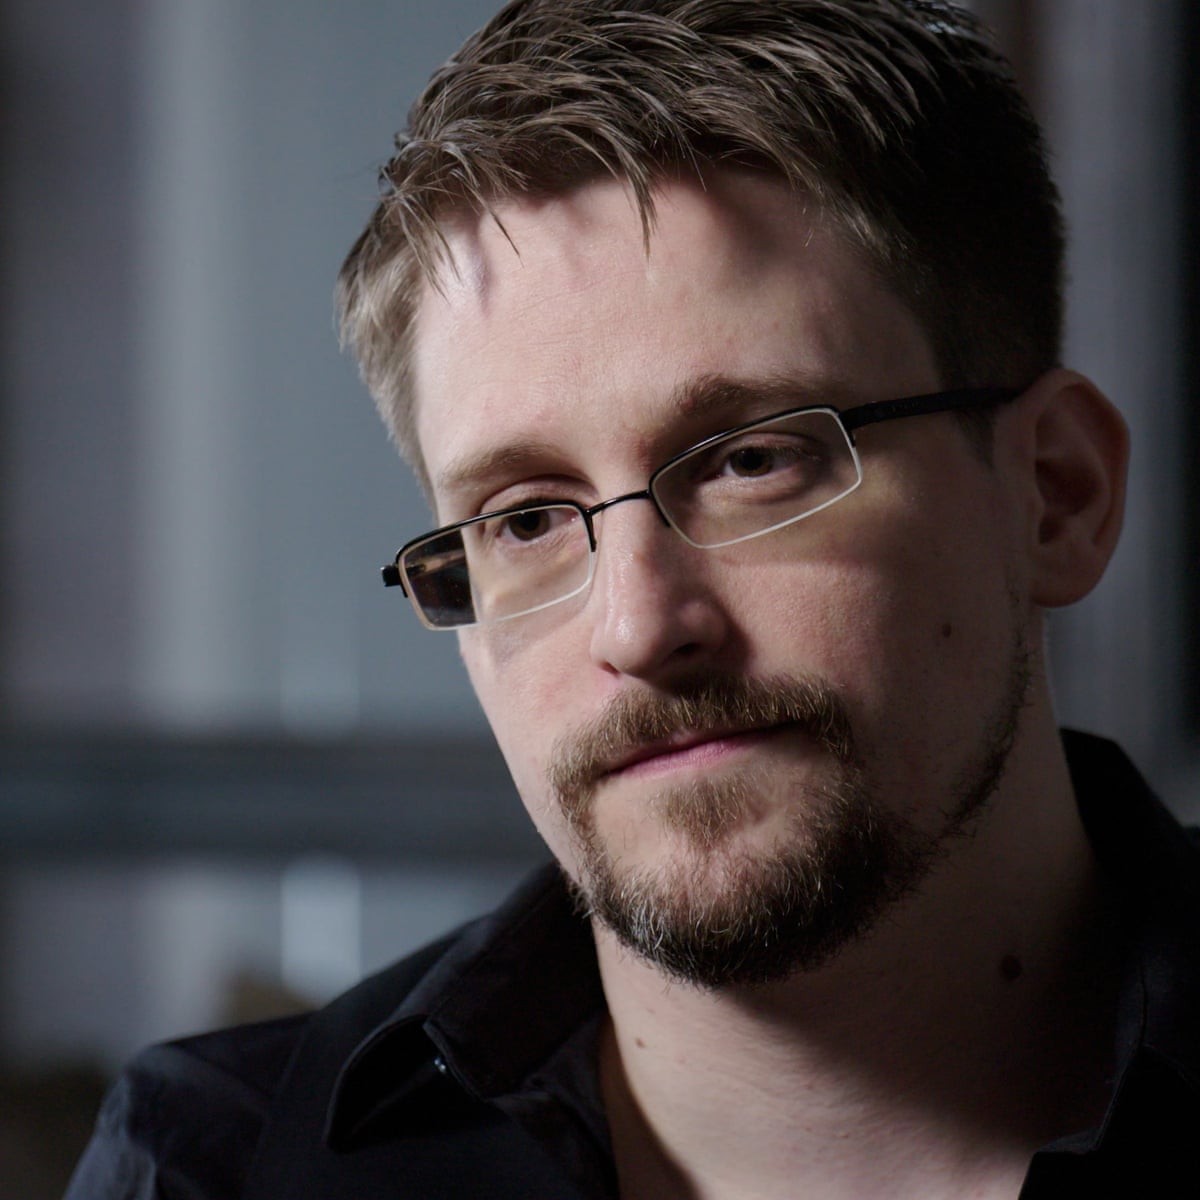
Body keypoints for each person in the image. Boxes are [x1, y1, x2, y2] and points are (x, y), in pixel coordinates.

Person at [69, 1, 1200, 1197]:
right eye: (525, 518)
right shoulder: (212, 1167)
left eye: (752, 461)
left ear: (1054, 497)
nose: (640, 626)